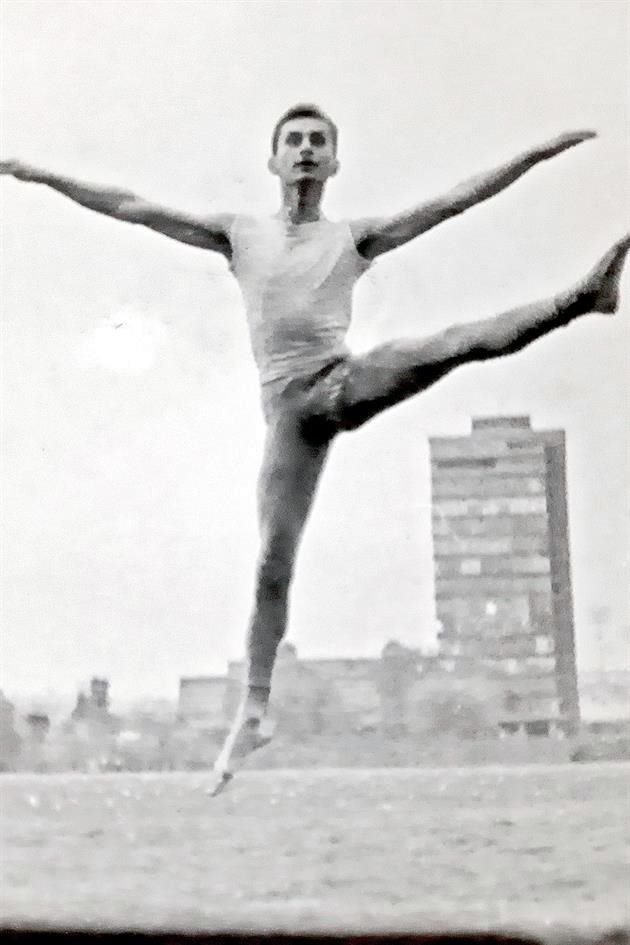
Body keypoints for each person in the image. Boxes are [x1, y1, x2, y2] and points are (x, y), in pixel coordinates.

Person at [2, 105, 629, 795]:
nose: (304, 151)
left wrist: (538, 151)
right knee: (272, 566)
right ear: (273, 162)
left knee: (455, 342)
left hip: (344, 381)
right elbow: (130, 206)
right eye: (293, 142)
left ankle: (583, 298)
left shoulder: (355, 239)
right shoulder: (237, 235)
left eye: (317, 143)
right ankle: (253, 714)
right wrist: (35, 173)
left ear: (333, 164)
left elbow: (455, 201)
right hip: (291, 422)